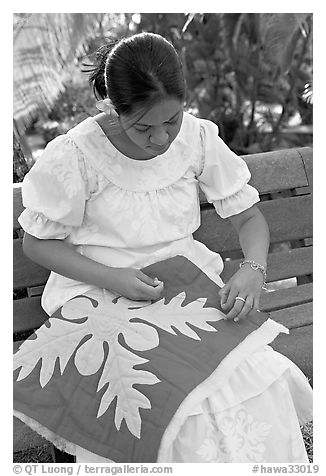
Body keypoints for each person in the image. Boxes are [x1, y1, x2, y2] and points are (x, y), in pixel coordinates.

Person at [13, 32, 312, 463]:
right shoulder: (75, 154)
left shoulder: (197, 138)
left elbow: (248, 217)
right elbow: (38, 246)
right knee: (173, 409)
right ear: (114, 108)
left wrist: (254, 268)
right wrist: (114, 278)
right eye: (143, 127)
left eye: (171, 121)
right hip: (99, 296)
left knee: (256, 380)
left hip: (187, 288)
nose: (161, 139)